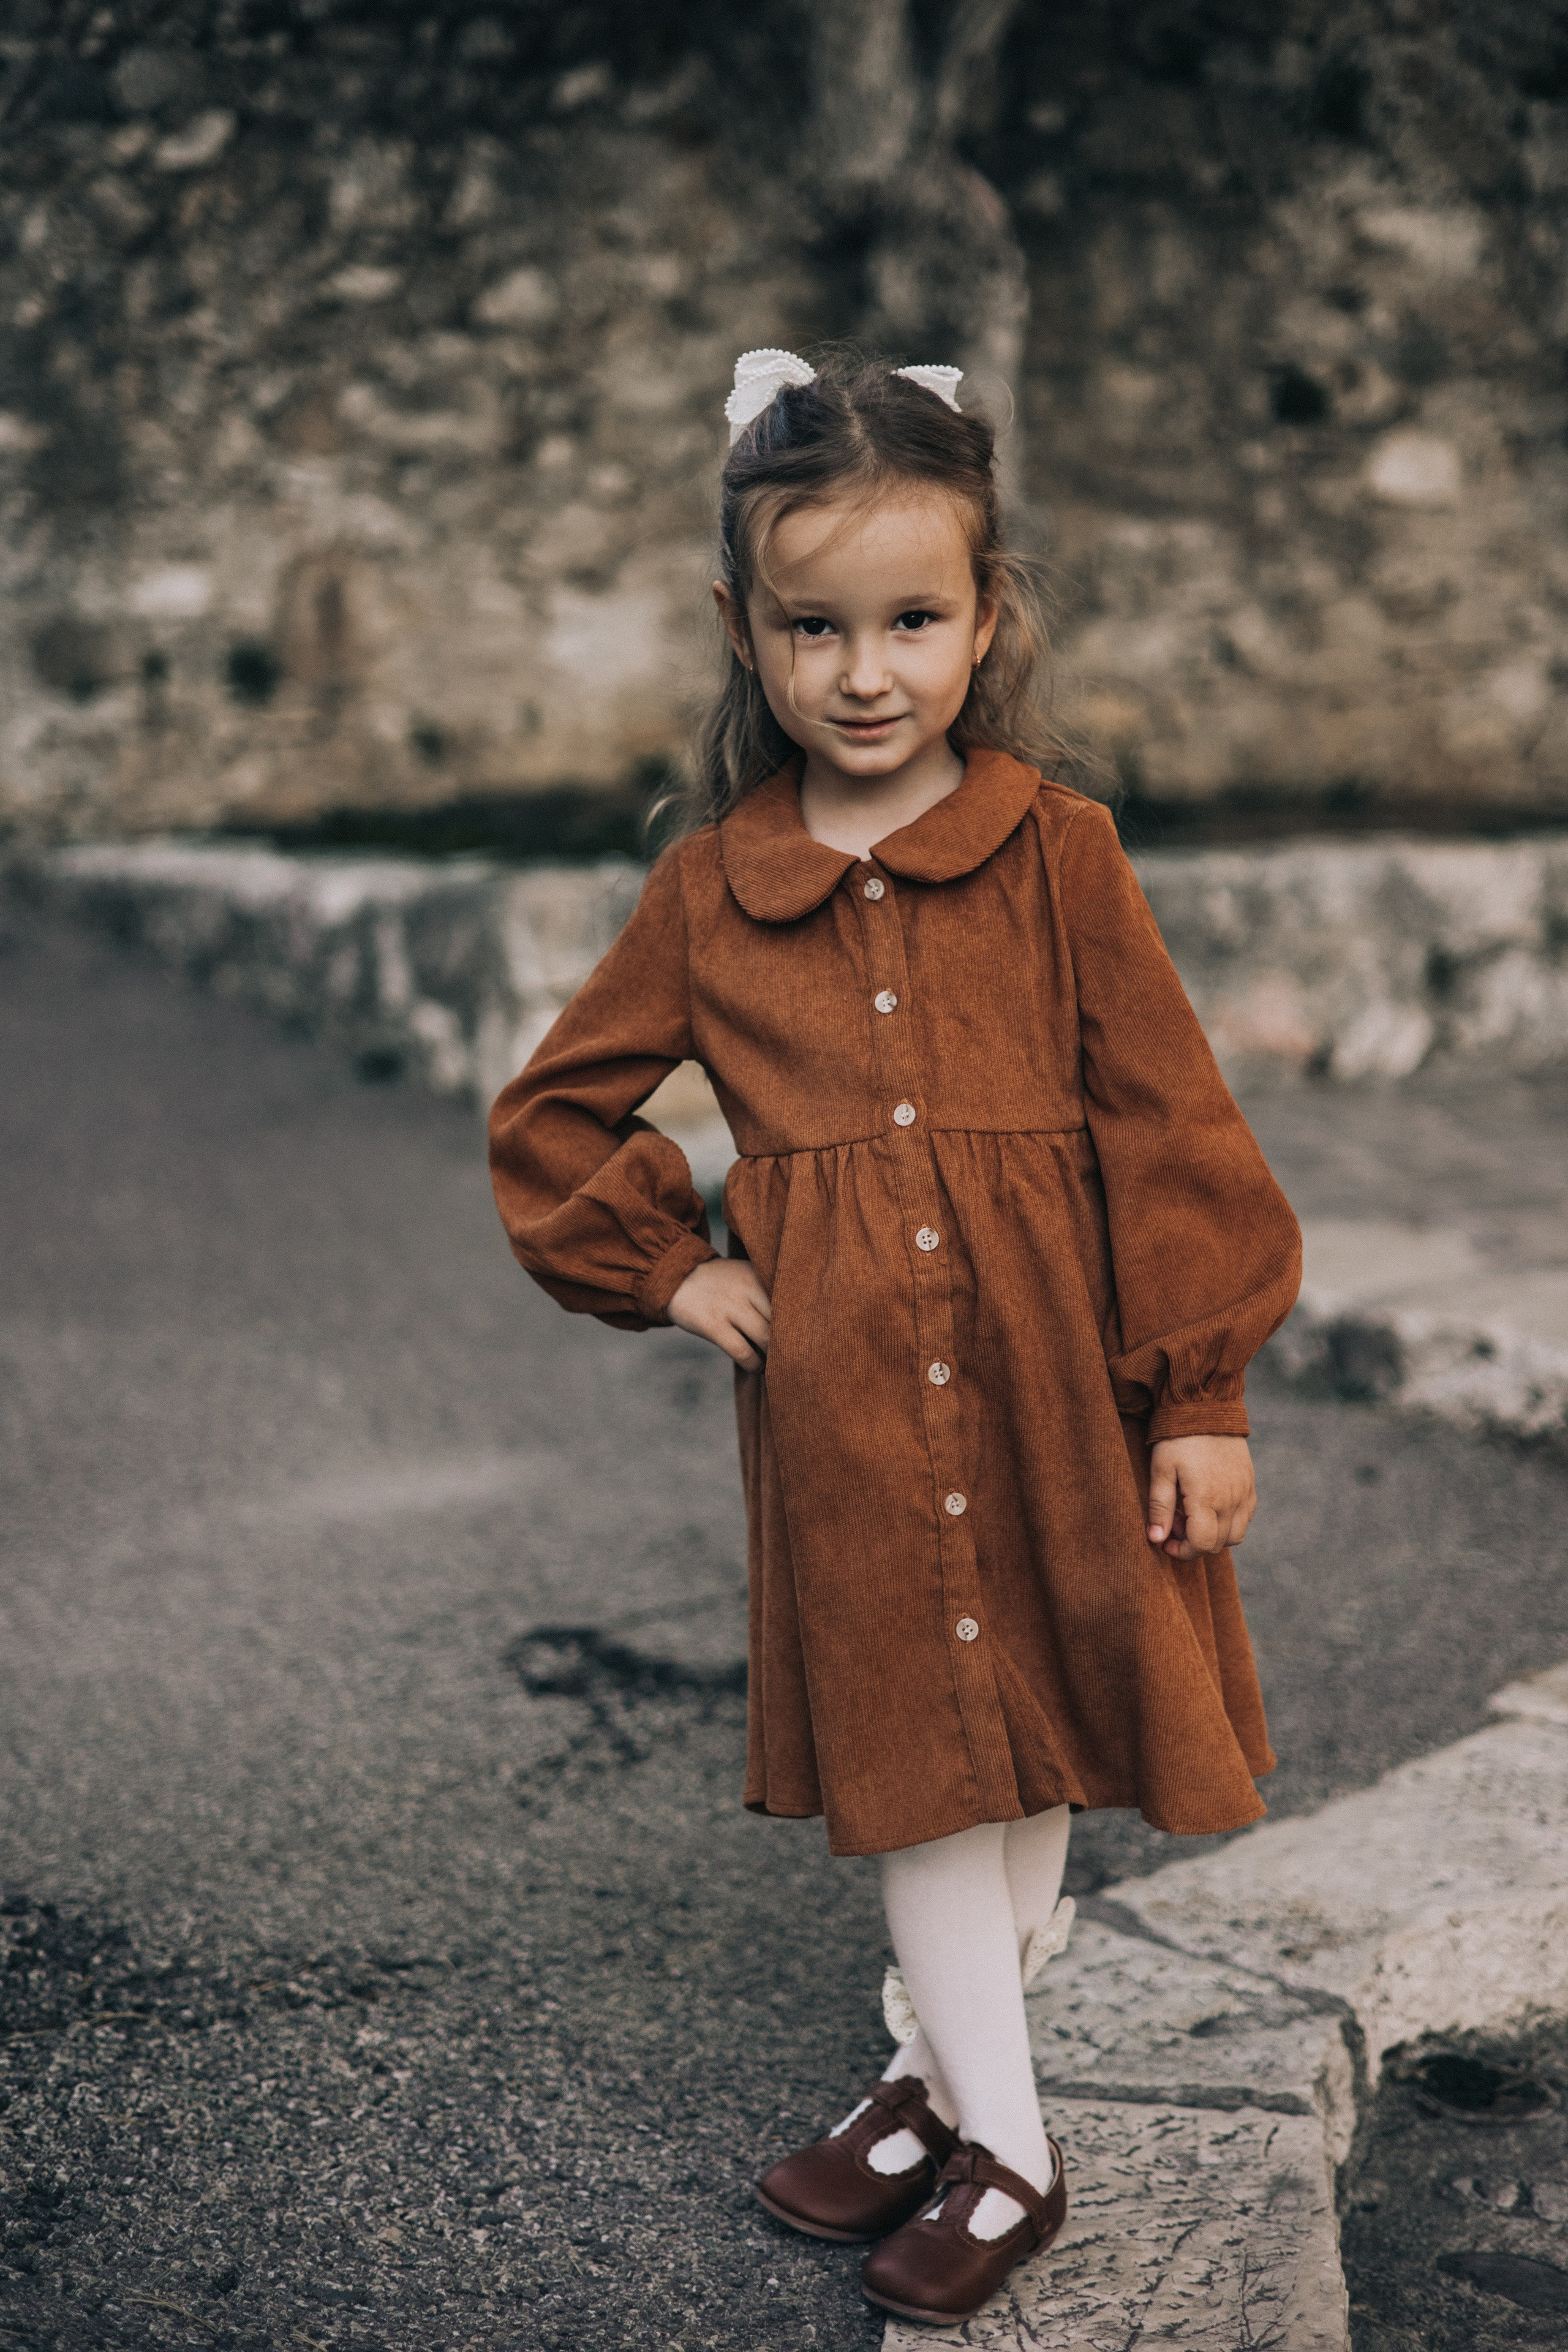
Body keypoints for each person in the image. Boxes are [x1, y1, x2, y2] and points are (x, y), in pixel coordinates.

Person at [488, 349, 1302, 2326]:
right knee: (929, 1768)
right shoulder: (710, 894)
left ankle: (930, 2086)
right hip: (850, 1409)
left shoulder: (1061, 856)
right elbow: (553, 1119)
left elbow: (1177, 1130)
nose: (866, 671)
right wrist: (677, 1270)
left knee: (1018, 1744)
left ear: (986, 613)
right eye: (815, 626)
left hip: (1064, 1385)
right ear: (743, 630)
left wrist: (1202, 1394)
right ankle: (1013, 2153)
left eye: (914, 620)